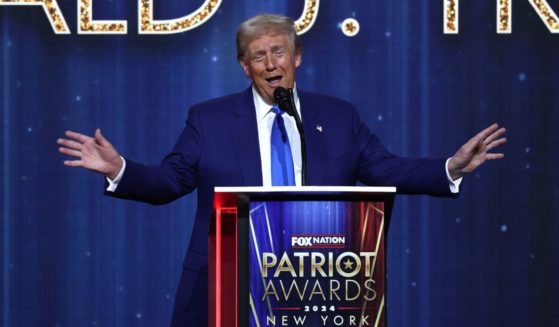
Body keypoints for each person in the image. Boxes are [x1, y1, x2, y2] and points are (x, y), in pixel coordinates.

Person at [57, 13, 506, 327]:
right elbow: (169, 181)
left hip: (317, 284)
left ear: (298, 58)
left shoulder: (339, 116)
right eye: (258, 56)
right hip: (229, 282)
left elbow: (386, 167)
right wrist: (121, 169)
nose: (271, 63)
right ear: (243, 66)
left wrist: (450, 166)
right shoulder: (209, 118)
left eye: (279, 52)